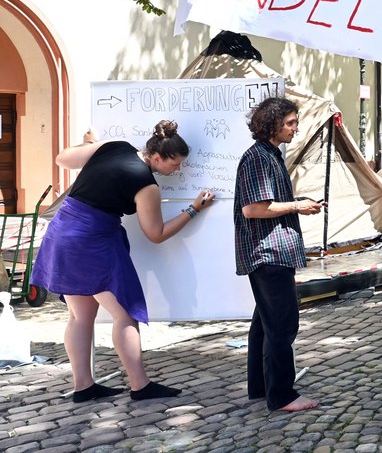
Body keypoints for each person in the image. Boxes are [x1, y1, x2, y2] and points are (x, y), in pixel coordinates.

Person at [30, 121, 215, 402]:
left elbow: (62, 159)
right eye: (175, 164)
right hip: (92, 241)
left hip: (62, 231)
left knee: (80, 316)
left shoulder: (115, 147)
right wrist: (193, 209)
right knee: (125, 314)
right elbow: (156, 234)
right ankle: (140, 386)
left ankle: (84, 387)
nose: (178, 170)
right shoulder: (147, 185)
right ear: (156, 158)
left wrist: (92, 145)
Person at [234, 97, 323, 412]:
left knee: (265, 322)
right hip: (267, 252)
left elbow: (268, 202)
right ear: (271, 124)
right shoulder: (258, 158)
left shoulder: (269, 155)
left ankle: (261, 387)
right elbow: (254, 209)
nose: (295, 129)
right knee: (282, 324)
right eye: (290, 123)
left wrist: (298, 201)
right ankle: (282, 395)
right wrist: (299, 205)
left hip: (272, 251)